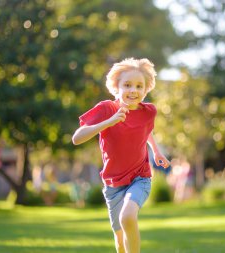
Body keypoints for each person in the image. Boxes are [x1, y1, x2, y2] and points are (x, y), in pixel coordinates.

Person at [72, 58, 170, 253]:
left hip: (139, 178)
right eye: (127, 85)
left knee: (128, 216)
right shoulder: (106, 109)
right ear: (117, 86)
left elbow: (145, 130)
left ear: (145, 89)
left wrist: (156, 151)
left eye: (138, 86)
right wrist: (108, 122)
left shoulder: (148, 111)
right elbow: (76, 138)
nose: (133, 90)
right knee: (119, 240)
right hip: (113, 185)